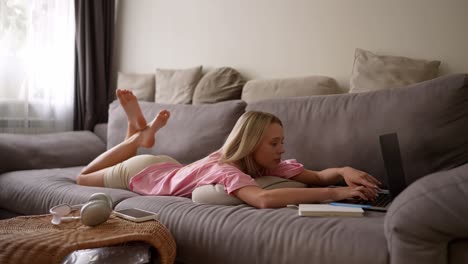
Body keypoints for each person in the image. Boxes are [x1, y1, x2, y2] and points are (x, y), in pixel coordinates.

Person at [76, 89, 382, 208]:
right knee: (82, 178)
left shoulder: (270, 165)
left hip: (169, 166)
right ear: (250, 144)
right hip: (141, 174)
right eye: (274, 143)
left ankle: (137, 133)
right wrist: (336, 193)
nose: (281, 149)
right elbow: (262, 199)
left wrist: (343, 172)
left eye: (282, 142)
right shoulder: (227, 170)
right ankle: (136, 138)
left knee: (127, 154)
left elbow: (317, 176)